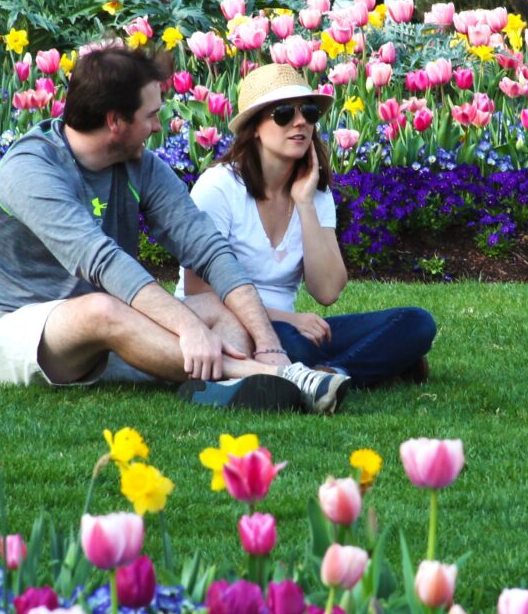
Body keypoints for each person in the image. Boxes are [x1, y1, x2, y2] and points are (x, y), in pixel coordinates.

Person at [0, 44, 350, 412]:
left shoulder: (142, 167)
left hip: (106, 326)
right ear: (115, 121)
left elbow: (208, 250)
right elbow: (102, 262)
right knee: (102, 308)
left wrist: (269, 344)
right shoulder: (30, 171)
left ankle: (228, 382)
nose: (159, 126)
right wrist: (188, 326)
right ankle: (279, 381)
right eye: (151, 115)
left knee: (219, 306)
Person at [179, 64, 437, 386]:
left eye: (309, 112)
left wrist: (304, 202)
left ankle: (331, 374)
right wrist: (288, 318)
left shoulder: (314, 193)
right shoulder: (219, 188)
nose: (300, 121)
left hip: (295, 328)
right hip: (230, 325)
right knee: (297, 343)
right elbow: (198, 292)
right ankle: (374, 363)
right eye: (284, 113)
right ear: (255, 127)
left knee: (416, 322)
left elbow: (327, 290)